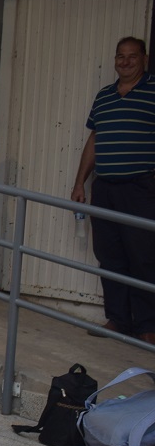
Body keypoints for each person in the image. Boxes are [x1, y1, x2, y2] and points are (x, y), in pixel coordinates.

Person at [70, 36, 155, 344]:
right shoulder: (104, 96)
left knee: (144, 257)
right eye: (120, 56)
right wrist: (80, 182)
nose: (125, 61)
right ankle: (117, 320)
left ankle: (147, 325)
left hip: (141, 188)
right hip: (105, 187)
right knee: (109, 256)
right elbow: (94, 140)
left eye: (132, 56)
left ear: (144, 59)